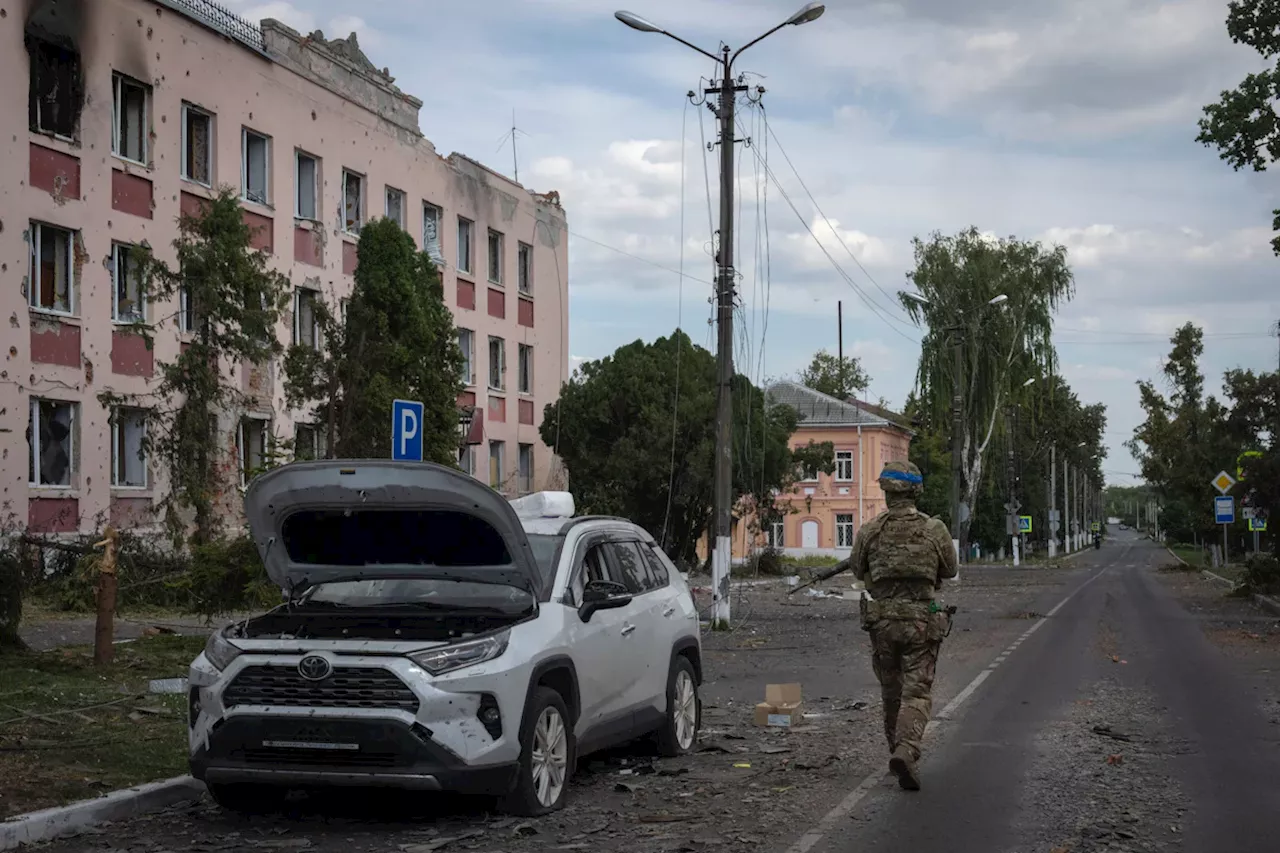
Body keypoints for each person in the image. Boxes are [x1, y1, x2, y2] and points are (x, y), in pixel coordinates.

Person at [847, 459, 958, 790]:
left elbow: (856, 570)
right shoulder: (934, 529)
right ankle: (906, 749)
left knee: (890, 691)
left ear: (885, 492)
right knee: (917, 691)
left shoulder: (870, 530)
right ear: (916, 491)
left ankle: (896, 750)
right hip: (921, 622)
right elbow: (950, 570)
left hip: (882, 622)